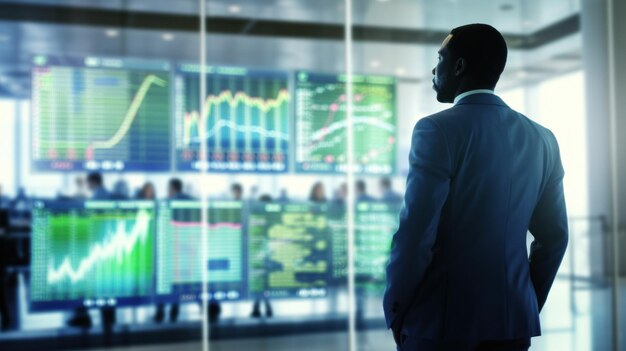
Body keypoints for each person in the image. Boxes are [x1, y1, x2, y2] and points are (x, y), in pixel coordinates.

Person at [384, 24, 568, 351]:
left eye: (440, 58)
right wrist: (523, 304)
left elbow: (416, 234)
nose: (434, 68)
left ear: (459, 67)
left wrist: (397, 310)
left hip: (439, 325)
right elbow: (554, 237)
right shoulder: (543, 139)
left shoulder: (435, 130)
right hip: (513, 324)